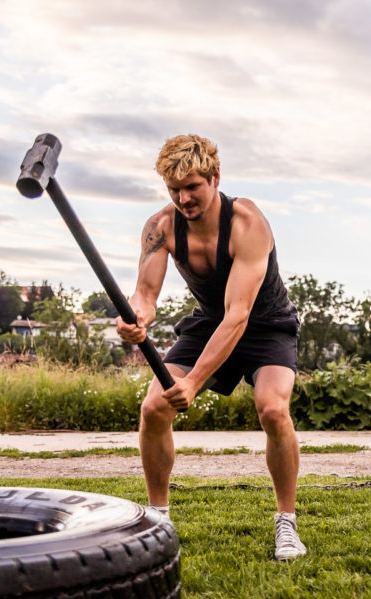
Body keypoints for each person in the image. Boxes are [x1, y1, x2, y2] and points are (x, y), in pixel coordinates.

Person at [116, 134, 304, 560]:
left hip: (265, 325)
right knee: (153, 408)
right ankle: (159, 518)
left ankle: (286, 523)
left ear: (215, 177)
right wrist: (136, 318)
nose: (183, 198)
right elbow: (145, 294)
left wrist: (194, 382)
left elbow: (239, 314)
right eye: (174, 189)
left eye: (192, 187)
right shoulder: (160, 227)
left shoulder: (247, 223)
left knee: (273, 409)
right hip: (209, 322)